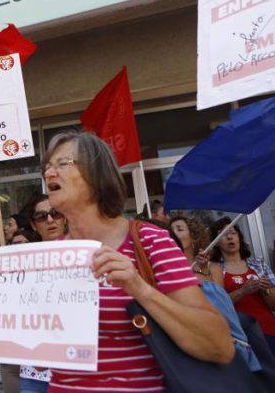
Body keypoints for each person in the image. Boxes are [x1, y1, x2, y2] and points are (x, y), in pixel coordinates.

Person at [41, 130, 233, 391]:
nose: (49, 173)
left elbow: (219, 346)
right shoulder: (48, 256)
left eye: (63, 164)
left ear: (97, 175)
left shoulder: (150, 241)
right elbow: (40, 361)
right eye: (48, 167)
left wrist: (139, 289)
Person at [169, 217, 261, 371]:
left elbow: (221, 304)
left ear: (193, 236)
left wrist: (203, 270)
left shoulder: (214, 268)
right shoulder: (169, 271)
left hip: (221, 339)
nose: (173, 234)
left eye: (179, 229)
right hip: (191, 341)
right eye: (171, 231)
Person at [15, 192, 69, 392]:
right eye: (41, 216)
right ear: (32, 224)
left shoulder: (85, 254)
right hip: (34, 371)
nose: (49, 220)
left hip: (75, 368)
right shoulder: (21, 262)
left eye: (55, 213)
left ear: (64, 217)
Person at [213, 221, 275, 356]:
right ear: (216, 242)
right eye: (224, 234)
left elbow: (273, 305)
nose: (230, 237)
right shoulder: (215, 269)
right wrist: (242, 291)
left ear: (239, 238)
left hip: (269, 330)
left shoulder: (258, 265)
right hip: (239, 337)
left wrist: (266, 289)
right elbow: (217, 306)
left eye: (233, 233)